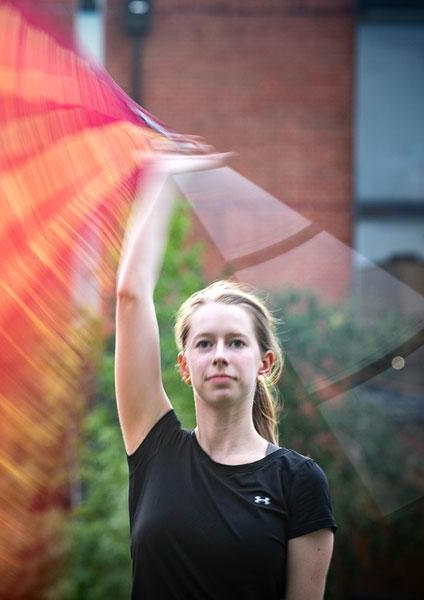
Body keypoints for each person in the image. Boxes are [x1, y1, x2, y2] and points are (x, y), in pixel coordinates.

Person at [115, 149, 336, 599]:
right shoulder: (155, 449)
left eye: (236, 343)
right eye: (204, 343)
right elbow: (130, 296)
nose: (219, 355)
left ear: (264, 363)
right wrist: (161, 176)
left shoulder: (298, 481)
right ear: (184, 365)